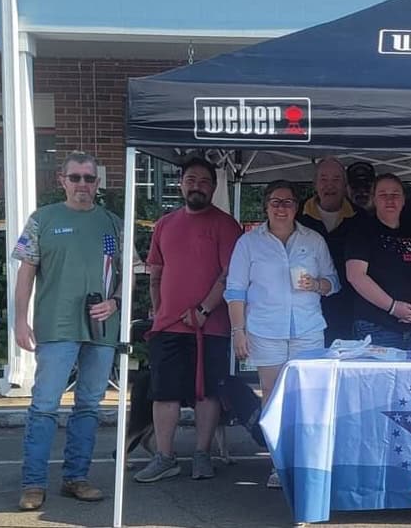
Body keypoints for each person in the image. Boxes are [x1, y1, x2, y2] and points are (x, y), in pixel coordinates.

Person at [13, 151, 122, 511]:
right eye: (75, 177)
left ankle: (77, 477)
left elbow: (124, 271)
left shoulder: (111, 223)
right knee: (44, 407)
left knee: (89, 406)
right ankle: (33, 484)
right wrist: (20, 320)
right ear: (61, 179)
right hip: (56, 326)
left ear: (98, 182)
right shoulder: (42, 220)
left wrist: (116, 302)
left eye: (89, 178)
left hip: (100, 329)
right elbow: (26, 273)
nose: (82, 185)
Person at [135, 158, 242, 484]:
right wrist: (158, 311)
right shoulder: (165, 224)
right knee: (163, 392)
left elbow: (230, 276)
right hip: (168, 327)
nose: (197, 185)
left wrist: (205, 309)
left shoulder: (226, 225)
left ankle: (202, 453)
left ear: (213, 186)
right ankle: (164, 457)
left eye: (204, 181)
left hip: (212, 327)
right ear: (180, 183)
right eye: (191, 179)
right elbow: (156, 272)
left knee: (206, 393)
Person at [226, 180, 339, 488]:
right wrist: (238, 331)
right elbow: (235, 291)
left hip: (308, 329)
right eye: (275, 202)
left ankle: (305, 463)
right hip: (265, 330)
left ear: (297, 206)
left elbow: (334, 282)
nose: (281, 207)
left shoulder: (313, 240)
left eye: (287, 202)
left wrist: (316, 285)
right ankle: (278, 464)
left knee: (306, 399)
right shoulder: (248, 243)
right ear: (265, 206)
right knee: (274, 398)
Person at [346, 173, 411, 348]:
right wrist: (393, 307)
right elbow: (355, 275)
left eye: (395, 194)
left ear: (403, 200)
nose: (390, 200)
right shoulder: (361, 231)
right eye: (383, 195)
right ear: (374, 200)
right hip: (376, 326)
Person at [297, 157, 364, 344]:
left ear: (345, 185)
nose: (329, 185)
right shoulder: (296, 215)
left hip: (349, 307)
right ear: (315, 184)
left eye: (336, 180)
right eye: (323, 179)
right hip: (305, 308)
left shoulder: (361, 218)